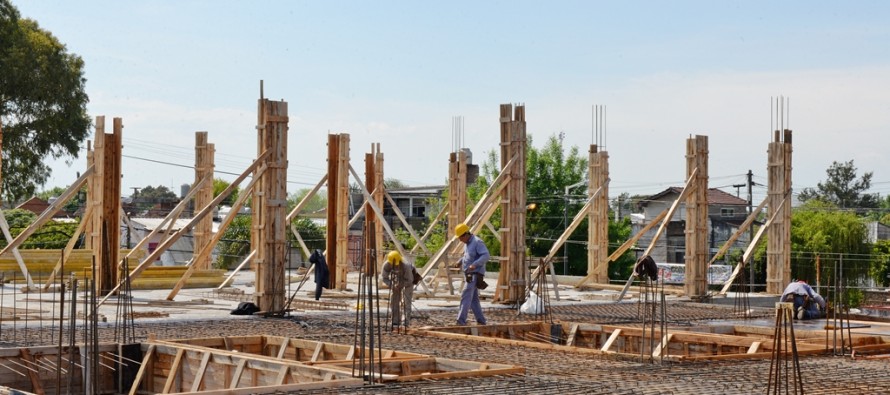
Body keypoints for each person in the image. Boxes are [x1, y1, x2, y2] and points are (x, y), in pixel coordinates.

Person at [455, 223, 488, 326]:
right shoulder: (468, 244)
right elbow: (468, 256)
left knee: (465, 296)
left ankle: (461, 321)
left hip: (474, 274)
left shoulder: (477, 242)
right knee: (473, 300)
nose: (459, 240)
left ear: (465, 234)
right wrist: (460, 261)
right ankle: (481, 321)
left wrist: (475, 264)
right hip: (469, 274)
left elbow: (486, 255)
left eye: (460, 237)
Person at [380, 250, 415, 329]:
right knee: (394, 300)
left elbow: (409, 280)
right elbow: (384, 278)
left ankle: (406, 321)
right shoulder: (387, 264)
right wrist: (392, 285)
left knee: (407, 301)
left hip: (409, 279)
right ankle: (395, 320)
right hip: (397, 279)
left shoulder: (406, 265)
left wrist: (401, 285)